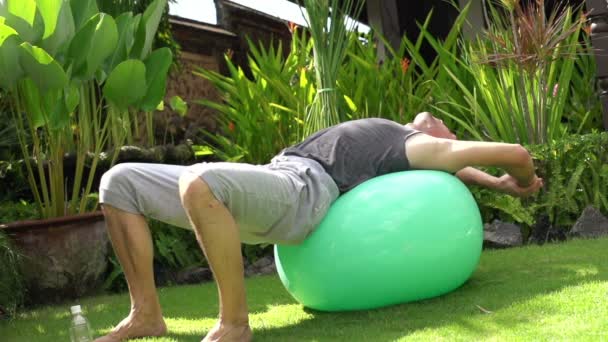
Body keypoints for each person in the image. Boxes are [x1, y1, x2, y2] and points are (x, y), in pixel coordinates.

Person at [94, 112, 543, 342]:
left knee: (199, 179)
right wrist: (500, 185)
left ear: (447, 141)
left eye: (448, 130)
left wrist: (520, 182)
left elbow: (516, 153)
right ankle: (146, 314)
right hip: (274, 174)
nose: (440, 122)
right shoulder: (400, 135)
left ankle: (234, 323)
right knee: (117, 182)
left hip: (302, 190)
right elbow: (467, 169)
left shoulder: (423, 147)